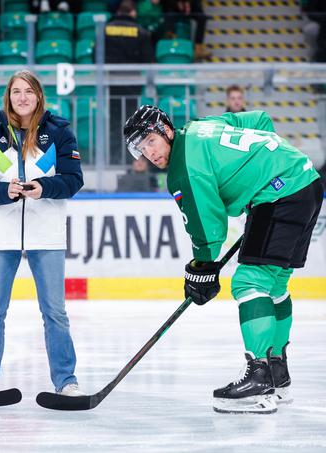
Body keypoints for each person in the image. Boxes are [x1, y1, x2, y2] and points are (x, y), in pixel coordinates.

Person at [123, 105, 322, 414]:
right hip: (304, 180)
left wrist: (201, 268)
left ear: (165, 130)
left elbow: (207, 228)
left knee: (249, 282)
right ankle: (277, 375)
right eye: (140, 148)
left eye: (149, 140)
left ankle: (260, 378)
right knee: (275, 283)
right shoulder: (202, 126)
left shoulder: (182, 168)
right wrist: (264, 167)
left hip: (280, 193)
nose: (148, 152)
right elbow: (259, 119)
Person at [0, 70, 84, 396]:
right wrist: (4, 192)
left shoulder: (59, 132)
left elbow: (74, 180)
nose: (22, 98)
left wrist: (43, 188)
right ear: (9, 96)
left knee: (55, 312)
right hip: (0, 235)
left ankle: (66, 381)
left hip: (45, 234)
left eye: (28, 92)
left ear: (38, 97)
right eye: (16, 91)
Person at [105, 0, 155, 164]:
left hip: (112, 83)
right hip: (132, 84)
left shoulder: (106, 29)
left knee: (113, 122)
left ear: (119, 11)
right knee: (130, 123)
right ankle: (128, 160)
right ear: (133, 12)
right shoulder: (141, 31)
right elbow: (149, 60)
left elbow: (96, 56)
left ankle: (113, 159)